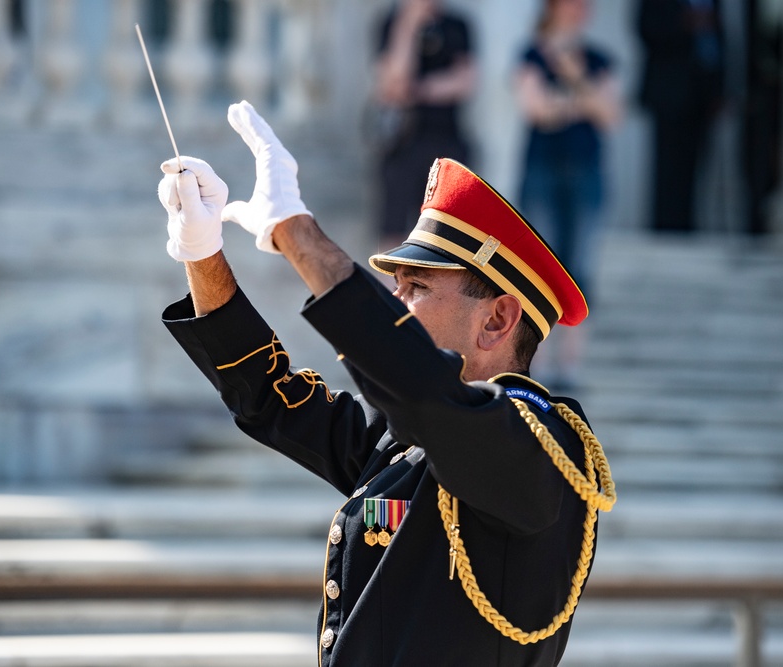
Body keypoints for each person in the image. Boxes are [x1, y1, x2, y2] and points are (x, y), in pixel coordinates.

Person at [158, 101, 615, 666]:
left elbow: (420, 389)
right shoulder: (412, 435)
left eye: (415, 286)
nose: (395, 302)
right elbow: (271, 398)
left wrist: (296, 233)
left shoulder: (543, 443)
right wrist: (204, 256)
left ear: (497, 319)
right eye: (394, 285)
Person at [514, 0, 622, 389]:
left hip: (587, 174)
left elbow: (612, 115)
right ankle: (536, 364)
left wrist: (574, 80)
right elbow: (536, 110)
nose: (581, 8)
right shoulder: (531, 54)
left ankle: (571, 364)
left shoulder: (597, 59)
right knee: (539, 267)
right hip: (542, 171)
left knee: (582, 267)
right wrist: (585, 101)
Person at [370, 0, 476, 250]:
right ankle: (389, 289)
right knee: (393, 231)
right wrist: (408, 24)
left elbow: (464, 83)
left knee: (445, 233)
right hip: (402, 143)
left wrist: (417, 90)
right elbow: (393, 80)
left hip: (447, 141)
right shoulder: (391, 23)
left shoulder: (456, 25)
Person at [636, 0, 724, 232]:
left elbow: (718, 42)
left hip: (702, 95)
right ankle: (665, 225)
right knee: (667, 166)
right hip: (668, 93)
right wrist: (683, 23)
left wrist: (719, 89)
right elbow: (645, 29)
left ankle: (688, 224)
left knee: (697, 165)